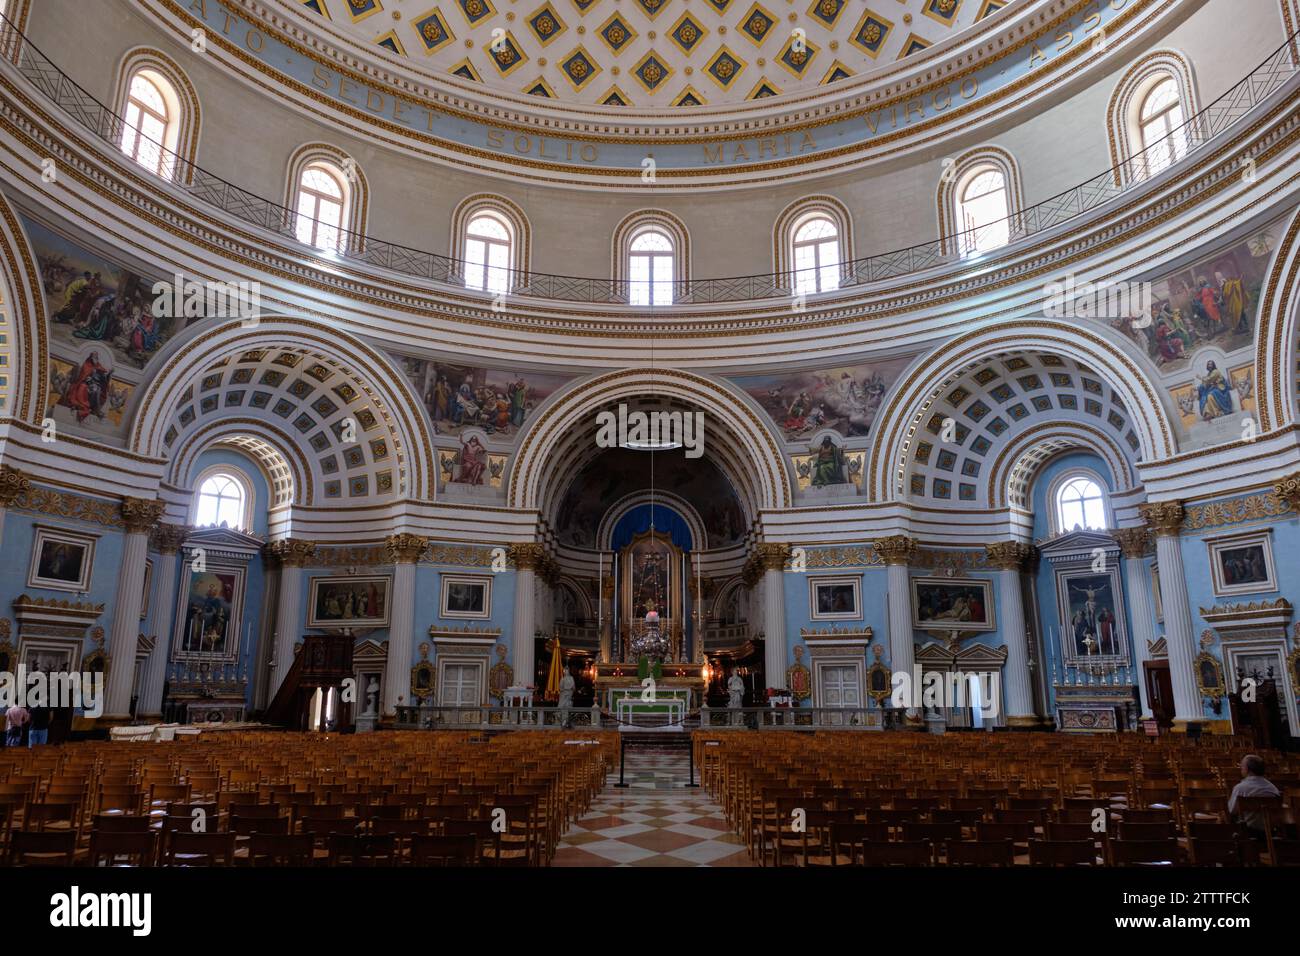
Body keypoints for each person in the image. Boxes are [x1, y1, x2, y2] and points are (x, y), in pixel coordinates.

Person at [1228, 754, 1280, 838]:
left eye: (1242, 766)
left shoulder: (1240, 788)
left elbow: (1231, 811)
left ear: (1247, 769)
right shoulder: (1272, 788)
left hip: (1248, 833)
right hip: (1270, 834)